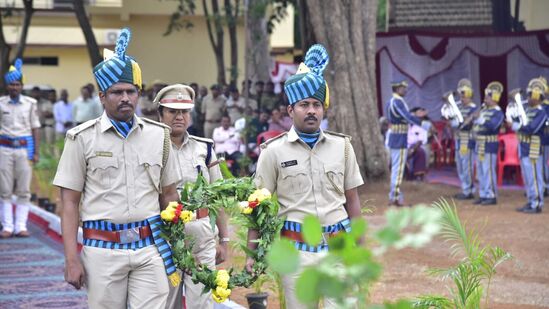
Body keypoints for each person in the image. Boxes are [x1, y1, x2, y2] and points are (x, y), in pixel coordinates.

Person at [53, 28, 180, 309]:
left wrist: (177, 245)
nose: (125, 98)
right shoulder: (81, 138)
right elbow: (69, 202)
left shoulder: (159, 135)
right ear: (101, 96)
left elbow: (169, 195)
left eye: (131, 91)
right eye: (117, 92)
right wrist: (71, 259)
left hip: (149, 247)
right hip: (103, 252)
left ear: (139, 94)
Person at [247, 44, 364, 309]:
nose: (311, 110)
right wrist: (252, 253)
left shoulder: (342, 147)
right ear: (291, 110)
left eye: (316, 105)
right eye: (304, 105)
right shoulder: (273, 152)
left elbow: (352, 199)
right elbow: (258, 206)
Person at [154, 84, 230, 308]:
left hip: (202, 237)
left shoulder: (204, 149)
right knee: (168, 303)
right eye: (172, 111)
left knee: (202, 304)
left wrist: (224, 241)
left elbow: (217, 197)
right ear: (160, 114)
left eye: (184, 111)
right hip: (165, 240)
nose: (179, 117)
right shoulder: (151, 149)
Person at [0, 58, 41, 238]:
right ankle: (7, 226)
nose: (14, 87)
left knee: (24, 189)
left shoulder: (31, 104)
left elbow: (35, 128)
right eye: (12, 85)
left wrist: (37, 152)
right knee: (5, 189)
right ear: (7, 86)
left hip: (25, 149)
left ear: (22, 86)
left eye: (17, 84)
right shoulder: (1, 103)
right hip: (4, 148)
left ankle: (20, 226)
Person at [385, 80, 431, 206]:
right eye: (403, 88)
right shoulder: (397, 102)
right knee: (398, 169)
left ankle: (395, 195)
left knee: (396, 168)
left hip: (395, 137)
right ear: (398, 88)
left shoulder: (390, 101)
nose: (405, 90)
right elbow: (406, 117)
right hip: (399, 138)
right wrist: (423, 123)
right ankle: (395, 197)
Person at [509, 79, 547, 214]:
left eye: (530, 94)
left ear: (537, 96)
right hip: (524, 146)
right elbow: (519, 123)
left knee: (535, 177)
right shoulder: (528, 111)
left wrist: (519, 126)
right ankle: (531, 201)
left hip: (534, 148)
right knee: (527, 176)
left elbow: (532, 128)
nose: (528, 97)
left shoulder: (541, 112)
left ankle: (537, 203)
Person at [472, 81, 505, 205]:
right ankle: (483, 193)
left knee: (488, 170)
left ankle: (491, 195)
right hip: (479, 144)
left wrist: (481, 121)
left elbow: (493, 126)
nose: (485, 99)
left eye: (488, 96)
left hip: (489, 144)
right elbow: (477, 125)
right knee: (480, 170)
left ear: (495, 98)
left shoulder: (498, 112)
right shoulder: (484, 110)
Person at [446, 79, 479, 200]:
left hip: (467, 139)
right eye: (461, 94)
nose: (462, 97)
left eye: (464, 94)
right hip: (458, 139)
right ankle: (465, 187)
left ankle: (469, 190)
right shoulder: (458, 108)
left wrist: (461, 122)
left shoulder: (473, 109)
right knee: (459, 164)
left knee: (467, 165)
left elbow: (471, 125)